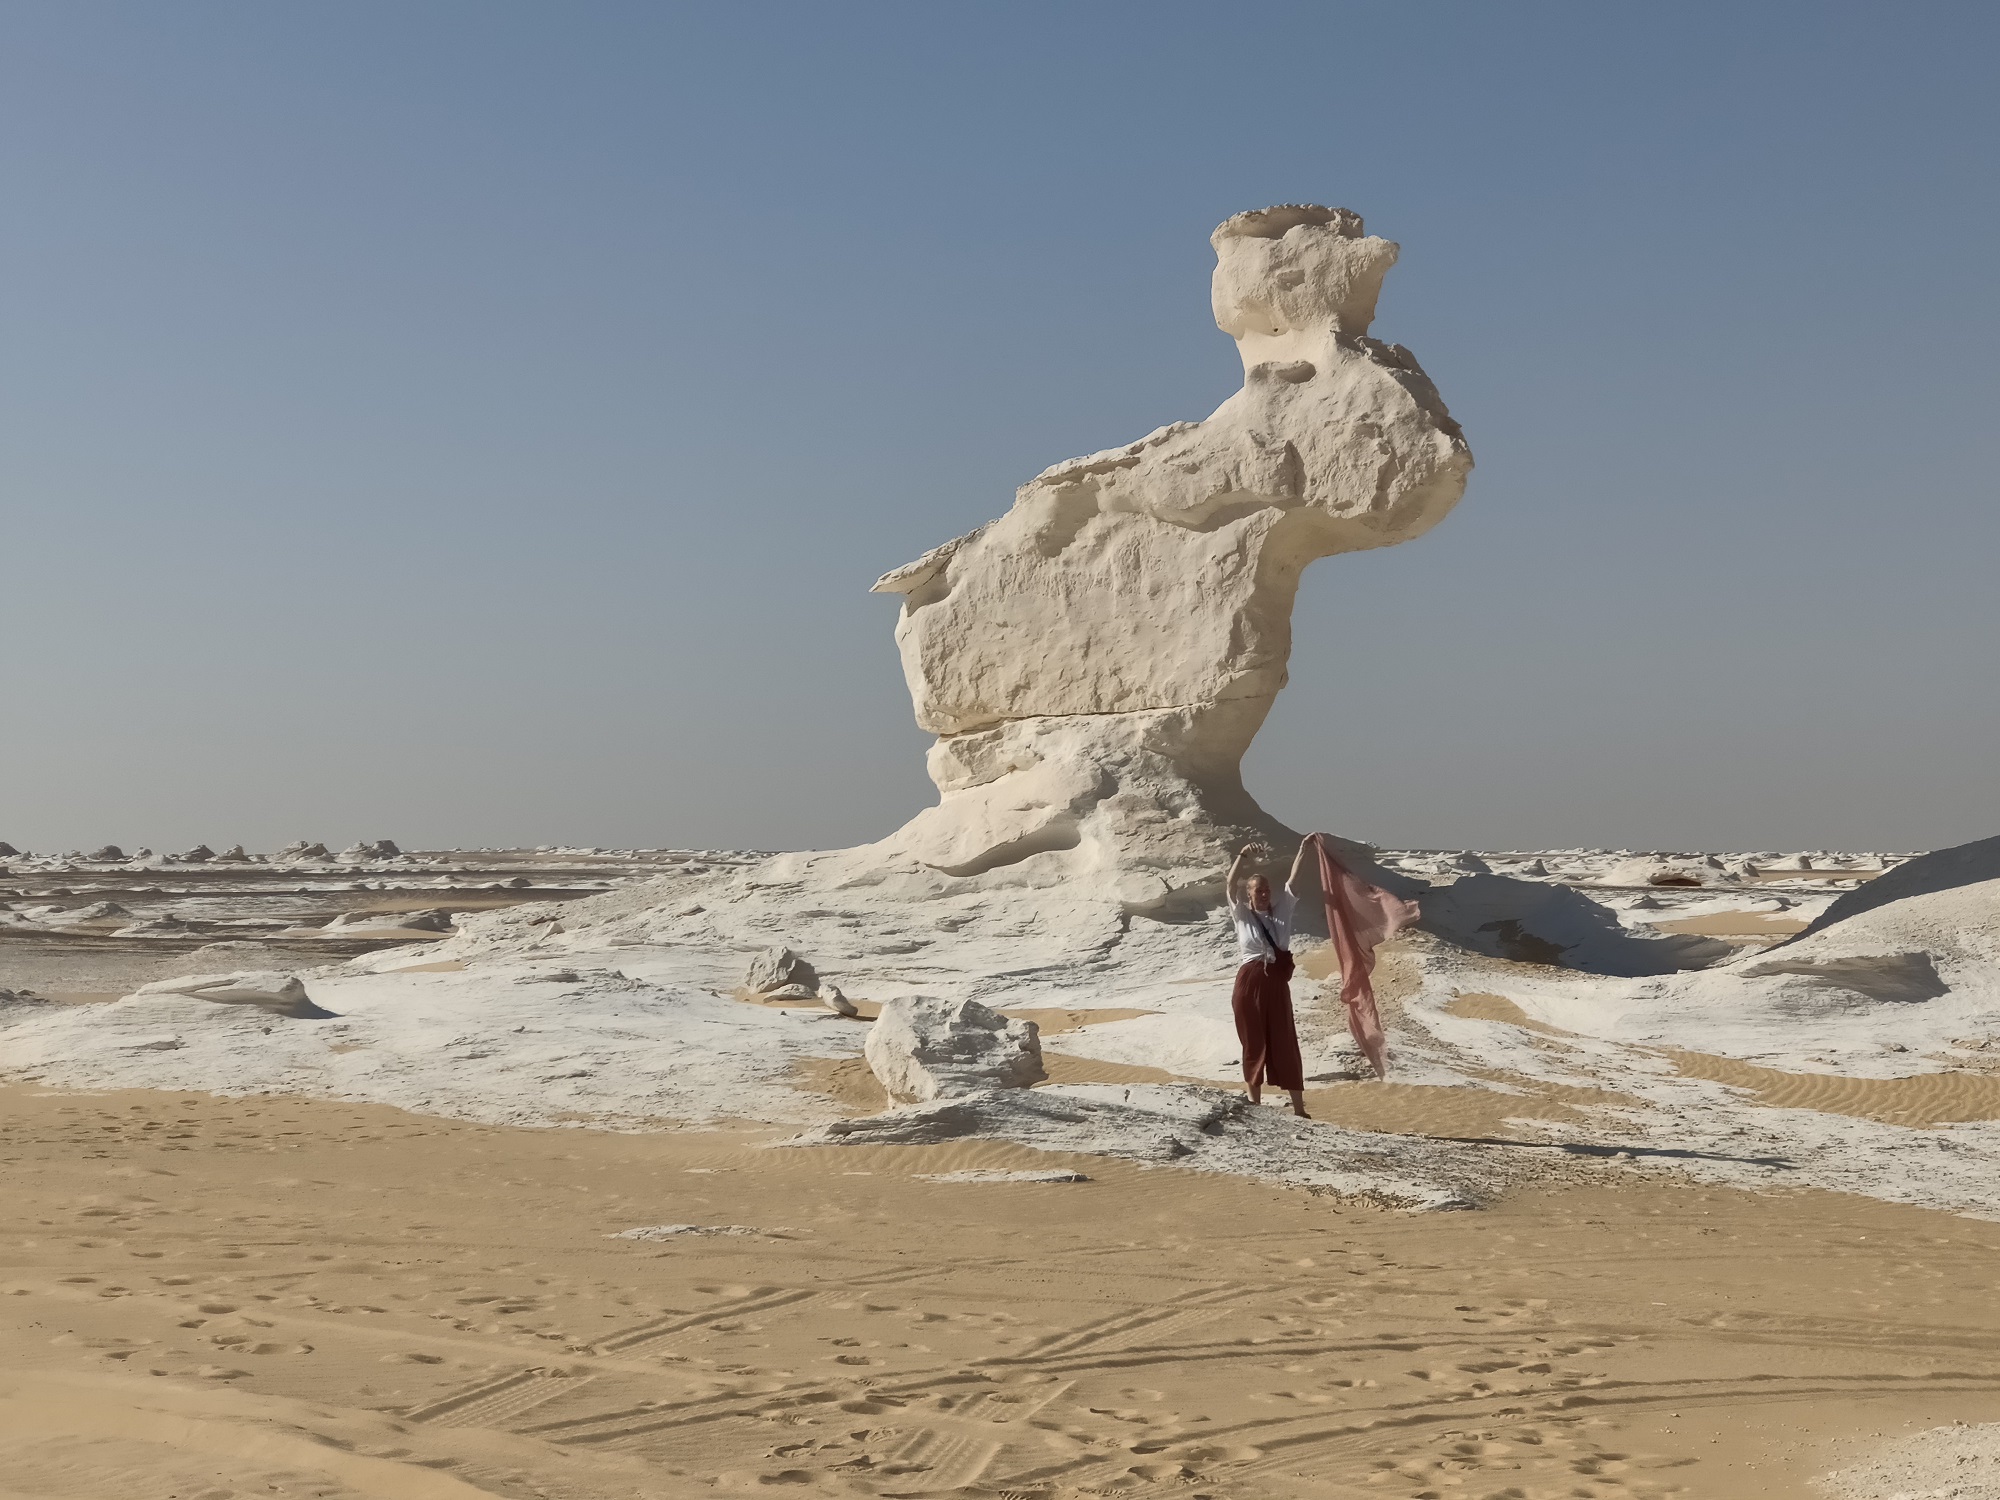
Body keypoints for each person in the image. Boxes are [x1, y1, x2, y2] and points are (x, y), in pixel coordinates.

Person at [1226, 837, 1313, 1117]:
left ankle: (1299, 1110)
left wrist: (1302, 851)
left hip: (1276, 982)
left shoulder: (1281, 912)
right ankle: (1255, 1107)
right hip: (1250, 981)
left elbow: (1294, 883)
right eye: (1258, 890)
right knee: (1253, 1042)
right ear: (1249, 894)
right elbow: (1229, 884)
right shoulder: (1241, 914)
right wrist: (1242, 855)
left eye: (1266, 890)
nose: (1264, 894)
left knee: (1285, 1040)